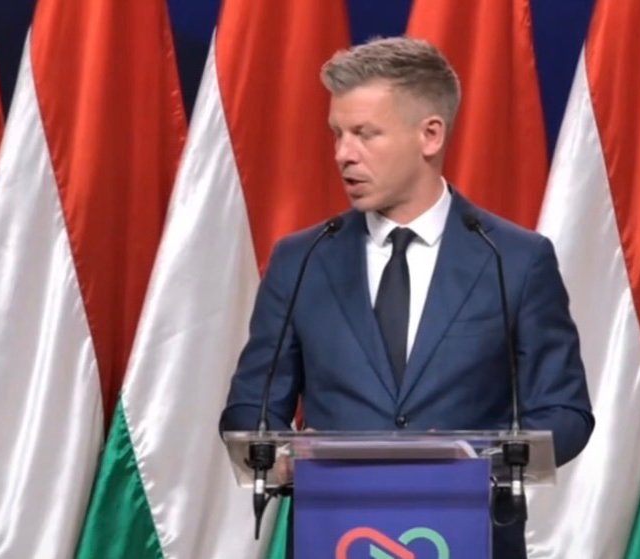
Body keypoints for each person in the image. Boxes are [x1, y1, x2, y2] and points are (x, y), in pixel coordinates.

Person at [220, 36, 593, 558]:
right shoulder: (302, 259)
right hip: (335, 534)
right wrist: (281, 453)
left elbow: (565, 411)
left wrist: (474, 460)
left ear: (430, 135)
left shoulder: (515, 259)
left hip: (472, 534)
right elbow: (250, 408)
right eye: (337, 134)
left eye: (365, 134)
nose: (343, 154)